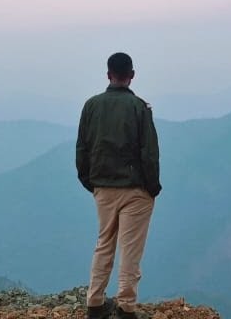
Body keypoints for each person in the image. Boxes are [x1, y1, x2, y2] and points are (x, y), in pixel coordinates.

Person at [76, 52, 161, 319]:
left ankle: (95, 302)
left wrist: (90, 181)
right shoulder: (139, 108)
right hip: (135, 189)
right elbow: (149, 152)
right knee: (130, 249)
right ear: (132, 75)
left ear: (108, 74)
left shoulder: (91, 106)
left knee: (104, 242)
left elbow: (82, 148)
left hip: (102, 186)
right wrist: (152, 187)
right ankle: (126, 306)